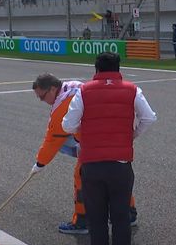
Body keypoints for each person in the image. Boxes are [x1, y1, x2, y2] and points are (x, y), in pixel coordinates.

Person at [62, 53, 157, 245]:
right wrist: (131, 135)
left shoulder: (84, 91)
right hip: (121, 165)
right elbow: (149, 118)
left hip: (92, 165)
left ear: (96, 68)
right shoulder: (132, 89)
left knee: (96, 220)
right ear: (118, 68)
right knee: (121, 219)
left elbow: (68, 124)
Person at [31, 74, 138, 234]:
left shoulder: (62, 106)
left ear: (52, 89)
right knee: (117, 177)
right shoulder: (75, 86)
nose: (42, 101)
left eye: (42, 96)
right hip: (114, 139)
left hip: (94, 144)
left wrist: (40, 163)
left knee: (81, 175)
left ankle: (82, 220)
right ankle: (129, 214)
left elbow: (52, 140)